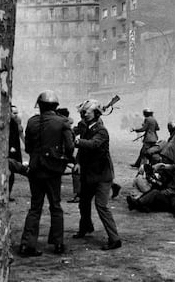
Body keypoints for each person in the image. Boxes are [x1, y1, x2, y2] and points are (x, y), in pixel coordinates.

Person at [19, 90, 74, 256]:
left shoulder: (31, 122)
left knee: (35, 207)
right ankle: (58, 244)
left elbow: (28, 147)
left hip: (35, 169)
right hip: (53, 170)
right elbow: (70, 147)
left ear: (40, 105)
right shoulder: (62, 122)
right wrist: (65, 158)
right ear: (55, 106)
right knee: (55, 206)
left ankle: (27, 245)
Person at [72, 99, 121, 250]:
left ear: (96, 114)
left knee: (101, 206)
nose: (83, 114)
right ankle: (86, 227)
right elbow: (82, 148)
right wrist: (78, 162)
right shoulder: (86, 126)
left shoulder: (101, 131)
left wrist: (76, 142)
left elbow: (92, 145)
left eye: (86, 111)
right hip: (89, 173)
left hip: (102, 175)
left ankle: (115, 239)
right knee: (83, 203)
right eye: (83, 112)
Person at [8, 104, 25, 202]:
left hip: (14, 149)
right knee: (9, 172)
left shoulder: (16, 122)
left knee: (12, 173)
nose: (16, 115)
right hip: (10, 150)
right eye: (14, 113)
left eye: (16, 113)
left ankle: (8, 193)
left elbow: (20, 135)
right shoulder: (8, 123)